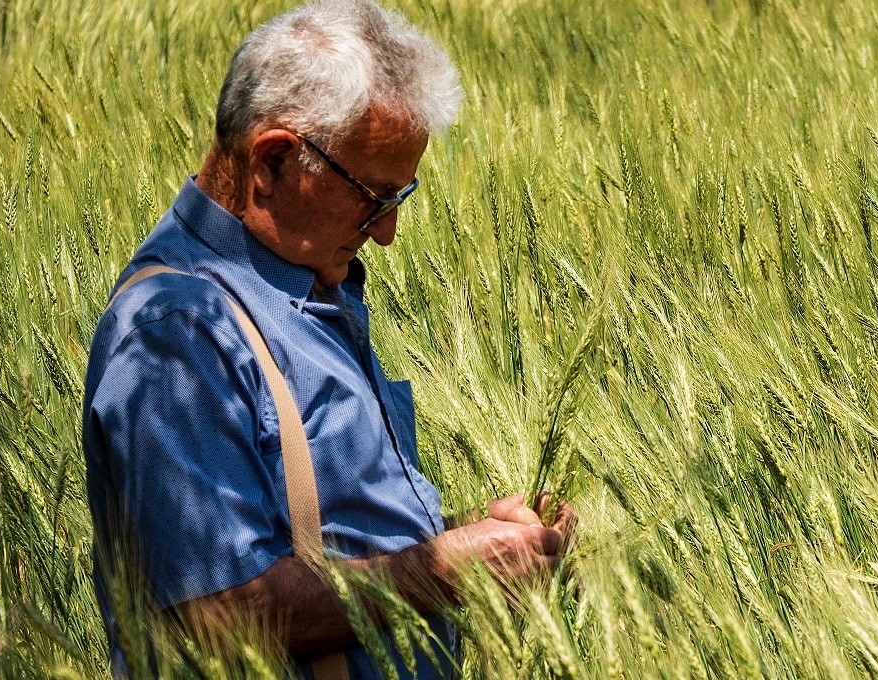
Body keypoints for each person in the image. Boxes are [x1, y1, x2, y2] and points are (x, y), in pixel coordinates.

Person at [80, 2, 576, 678]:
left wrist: (477, 541)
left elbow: (326, 543)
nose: (387, 232)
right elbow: (220, 611)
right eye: (373, 198)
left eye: (400, 199)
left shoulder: (306, 283)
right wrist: (449, 569)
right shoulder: (178, 330)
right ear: (274, 161)